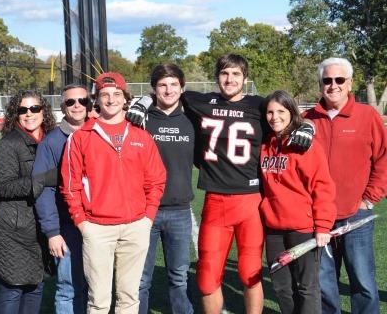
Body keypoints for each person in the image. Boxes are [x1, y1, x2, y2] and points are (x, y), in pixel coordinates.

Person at [127, 54, 314, 314]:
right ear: (217, 78)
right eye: (225, 73)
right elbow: (168, 91)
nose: (230, 79)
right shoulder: (200, 100)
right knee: (206, 279)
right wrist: (143, 101)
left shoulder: (258, 105)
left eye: (236, 74)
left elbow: (288, 113)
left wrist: (307, 126)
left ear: (245, 79)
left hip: (250, 200)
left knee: (250, 273)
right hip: (215, 199)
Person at [60, 72, 166, 313]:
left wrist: (147, 218)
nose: (111, 99)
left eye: (117, 94)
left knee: (129, 298)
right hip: (97, 229)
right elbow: (70, 185)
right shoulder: (80, 137)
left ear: (125, 98)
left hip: (136, 227)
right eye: (105, 95)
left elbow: (156, 180)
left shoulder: (141, 135)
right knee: (98, 300)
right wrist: (82, 222)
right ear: (96, 100)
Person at [303, 57, 387, 314]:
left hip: (355, 215)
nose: (333, 85)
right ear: (320, 84)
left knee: (362, 282)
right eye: (327, 80)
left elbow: (384, 158)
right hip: (318, 218)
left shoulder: (367, 115)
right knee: (324, 283)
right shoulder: (307, 119)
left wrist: (369, 199)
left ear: (350, 83)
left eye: (340, 80)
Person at [260, 90, 336, 314]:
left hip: (303, 228)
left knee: (307, 287)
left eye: (281, 111)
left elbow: (322, 186)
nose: (275, 117)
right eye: (270, 112)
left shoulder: (306, 146)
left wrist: (323, 226)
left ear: (291, 112)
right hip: (273, 229)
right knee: (282, 287)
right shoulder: (266, 145)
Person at [0, 90, 56, 314]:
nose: (29, 114)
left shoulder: (49, 140)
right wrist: (43, 180)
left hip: (37, 226)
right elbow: (4, 187)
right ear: (15, 114)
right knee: (13, 288)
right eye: (22, 110)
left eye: (34, 108)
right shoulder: (8, 144)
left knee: (35, 285)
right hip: (11, 228)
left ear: (43, 111)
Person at [138, 64, 195, 314]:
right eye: (162, 84)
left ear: (182, 88)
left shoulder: (193, 117)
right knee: (141, 279)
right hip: (144, 211)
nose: (168, 89)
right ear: (154, 89)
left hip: (180, 210)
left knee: (179, 278)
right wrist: (140, 104)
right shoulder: (141, 118)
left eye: (173, 84)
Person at [32, 84, 91, 313]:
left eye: (82, 101)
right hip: (66, 227)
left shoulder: (100, 134)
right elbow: (43, 190)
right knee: (68, 287)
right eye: (70, 102)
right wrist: (53, 232)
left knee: (96, 285)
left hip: (99, 225)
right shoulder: (51, 143)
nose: (77, 106)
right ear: (62, 106)